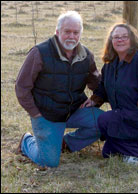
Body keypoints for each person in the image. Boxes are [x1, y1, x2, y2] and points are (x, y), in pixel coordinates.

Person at [15, 11, 104, 168]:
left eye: (76, 32)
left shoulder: (86, 55)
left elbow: (96, 83)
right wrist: (36, 114)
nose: (71, 36)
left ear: (80, 33)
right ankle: (26, 142)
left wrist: (96, 99)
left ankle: (65, 143)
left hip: (75, 109)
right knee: (48, 162)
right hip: (48, 115)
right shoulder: (39, 53)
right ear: (57, 32)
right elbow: (22, 87)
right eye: (67, 31)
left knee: (106, 123)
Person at [81, 23, 138, 164]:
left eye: (124, 37)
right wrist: (95, 99)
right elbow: (104, 86)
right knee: (108, 152)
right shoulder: (110, 65)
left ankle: (136, 156)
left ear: (132, 40)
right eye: (116, 37)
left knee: (104, 120)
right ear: (111, 41)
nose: (120, 40)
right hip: (127, 117)